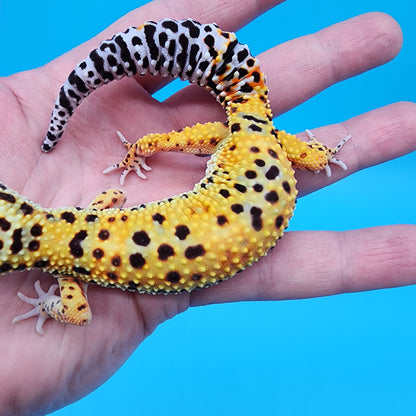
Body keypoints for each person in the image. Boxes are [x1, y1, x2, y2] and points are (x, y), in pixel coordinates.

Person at [0, 0, 415, 414]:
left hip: (248, 167)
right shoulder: (82, 218)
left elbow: (75, 313)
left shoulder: (68, 274)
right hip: (252, 164)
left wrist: (47, 305)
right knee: (316, 158)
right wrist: (319, 155)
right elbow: (112, 199)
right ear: (21, 205)